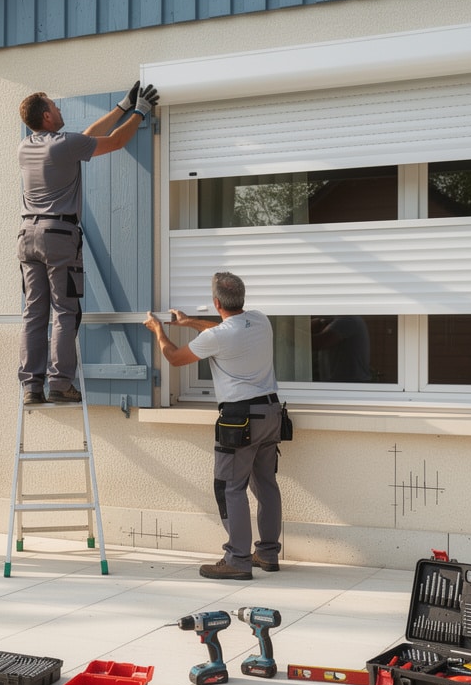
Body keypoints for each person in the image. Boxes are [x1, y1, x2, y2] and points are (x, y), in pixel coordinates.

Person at [17, 81, 159, 405]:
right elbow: (115, 141)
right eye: (55, 106)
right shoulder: (64, 145)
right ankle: (60, 383)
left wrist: (121, 108)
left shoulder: (26, 147)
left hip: (27, 236)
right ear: (47, 116)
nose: (60, 109)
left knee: (34, 314)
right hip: (58, 237)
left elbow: (86, 139)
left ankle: (31, 387)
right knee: (65, 312)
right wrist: (140, 112)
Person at [144, 272, 283, 581]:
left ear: (216, 302)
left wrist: (158, 330)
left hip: (240, 417)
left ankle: (237, 559)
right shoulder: (260, 321)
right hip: (271, 413)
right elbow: (225, 330)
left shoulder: (218, 336)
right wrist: (189, 322)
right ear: (241, 299)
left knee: (230, 487)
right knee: (266, 485)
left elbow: (176, 358)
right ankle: (268, 553)